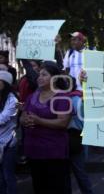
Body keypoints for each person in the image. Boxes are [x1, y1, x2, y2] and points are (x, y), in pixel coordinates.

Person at [20, 61, 72, 194]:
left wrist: (39, 121)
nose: (39, 77)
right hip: (33, 152)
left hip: (53, 154)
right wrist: (24, 120)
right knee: (39, 188)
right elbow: (23, 116)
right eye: (39, 75)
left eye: (44, 75)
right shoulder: (32, 96)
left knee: (56, 188)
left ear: (54, 78)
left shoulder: (62, 97)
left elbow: (62, 123)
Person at [67, 76, 94, 194]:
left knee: (76, 171)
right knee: (80, 171)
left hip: (75, 137)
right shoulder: (80, 98)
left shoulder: (73, 99)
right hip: (79, 137)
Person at [0, 71, 18, 194]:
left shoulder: (13, 100)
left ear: (5, 83)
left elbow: (3, 118)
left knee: (8, 175)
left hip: (8, 143)